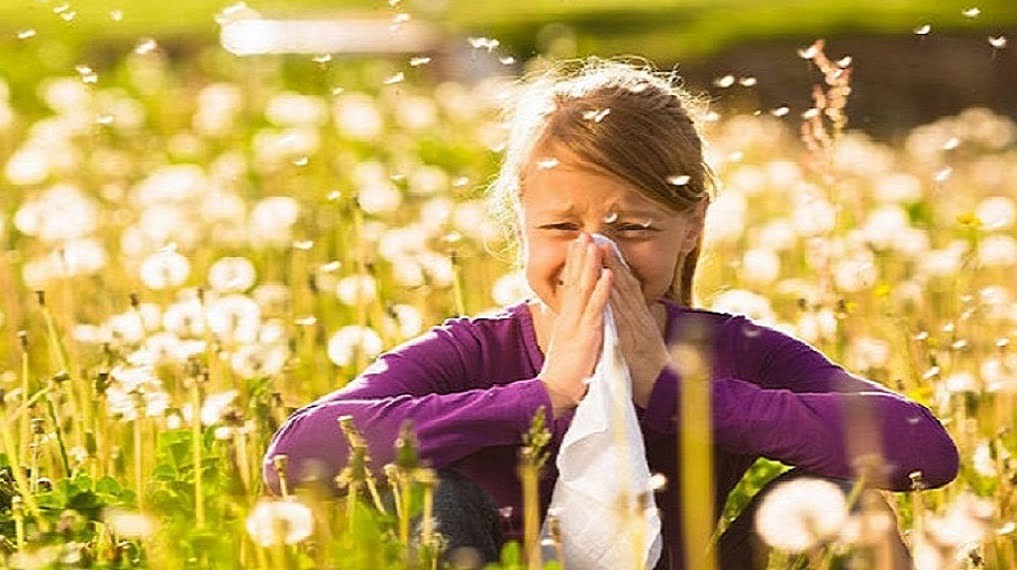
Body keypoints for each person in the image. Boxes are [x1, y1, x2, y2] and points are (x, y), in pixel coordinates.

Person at [263, 59, 959, 569]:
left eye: (632, 229)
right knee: (429, 498)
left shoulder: (734, 351)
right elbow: (296, 457)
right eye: (562, 229)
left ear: (691, 227)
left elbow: (923, 451)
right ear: (520, 225)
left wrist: (676, 392)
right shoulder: (471, 351)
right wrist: (542, 398)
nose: (596, 257)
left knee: (846, 504)